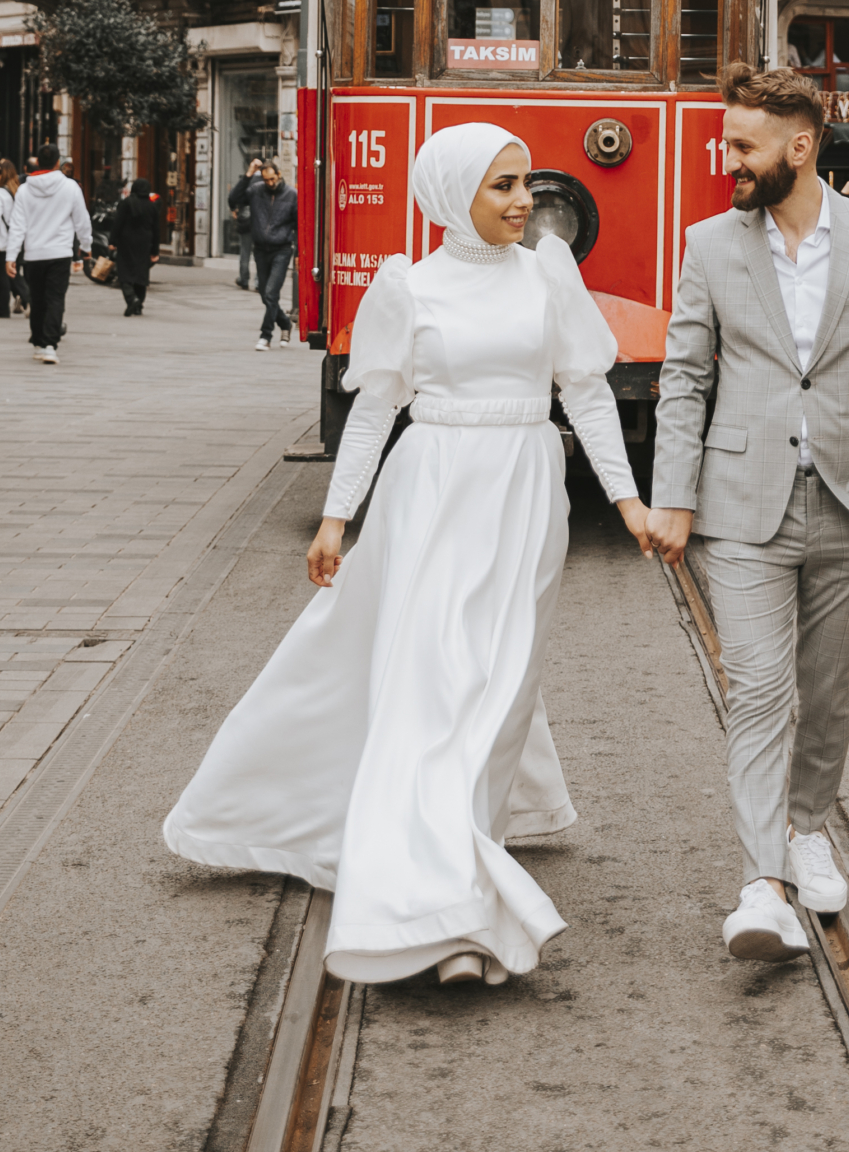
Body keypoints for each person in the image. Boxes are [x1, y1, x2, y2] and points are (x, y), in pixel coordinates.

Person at [165, 122, 651, 986]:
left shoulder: (550, 273)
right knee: (436, 688)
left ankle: (465, 855)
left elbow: (586, 392)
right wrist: (334, 519)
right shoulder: (406, 285)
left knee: (499, 685)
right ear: (448, 194)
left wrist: (627, 500)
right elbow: (373, 410)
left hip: (527, 492)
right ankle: (441, 906)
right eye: (501, 187)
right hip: (432, 494)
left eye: (522, 185)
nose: (522, 203)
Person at [648, 66, 849, 961]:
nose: (726, 157)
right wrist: (673, 494)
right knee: (762, 689)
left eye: (742, 145)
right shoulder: (709, 244)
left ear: (798, 147)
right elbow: (685, 377)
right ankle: (762, 884)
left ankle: (807, 825)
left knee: (830, 686)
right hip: (740, 505)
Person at [4, 143, 92, 366]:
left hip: (33, 253)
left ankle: (38, 342)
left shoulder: (24, 189)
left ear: (36, 163)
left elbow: (17, 225)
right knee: (55, 298)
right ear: (57, 163)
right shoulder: (71, 187)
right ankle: (50, 345)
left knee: (37, 298)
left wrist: (11, 256)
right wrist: (86, 246)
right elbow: (82, 220)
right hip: (60, 252)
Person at [249, 159, 299, 350]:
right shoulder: (256, 190)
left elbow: (298, 225)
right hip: (261, 249)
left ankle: (266, 335)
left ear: (278, 174)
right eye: (266, 179)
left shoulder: (291, 195)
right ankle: (285, 323)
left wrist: (299, 252)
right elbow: (234, 199)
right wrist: (248, 174)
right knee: (264, 294)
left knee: (271, 292)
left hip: (282, 248)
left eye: (272, 178)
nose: (270, 183)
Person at [109, 179, 161, 316]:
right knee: (141, 273)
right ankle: (139, 304)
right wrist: (155, 250)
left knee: (125, 272)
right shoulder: (152, 206)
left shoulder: (126, 203)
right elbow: (156, 230)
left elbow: (118, 223)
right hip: (145, 243)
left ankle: (132, 298)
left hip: (126, 242)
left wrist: (112, 241)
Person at [0, 160, 23, 318]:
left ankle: (3, 308)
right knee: (12, 272)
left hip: (2, 237)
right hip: (17, 237)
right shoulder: (18, 190)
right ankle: (24, 299)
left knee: (3, 274)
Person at [228, 158, 263, 290]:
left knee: (245, 252)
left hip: (246, 220)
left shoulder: (246, 182)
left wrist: (233, 209)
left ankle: (243, 279)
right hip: (261, 221)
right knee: (260, 252)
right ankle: (259, 282)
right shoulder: (267, 181)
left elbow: (232, 197)